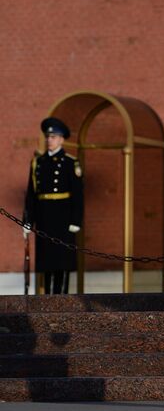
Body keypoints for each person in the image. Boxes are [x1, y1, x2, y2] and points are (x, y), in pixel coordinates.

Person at [23, 117, 83, 294]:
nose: (50, 140)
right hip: (43, 218)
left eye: (54, 137)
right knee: (46, 262)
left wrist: (76, 220)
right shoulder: (38, 163)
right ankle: (45, 299)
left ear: (62, 139)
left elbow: (78, 195)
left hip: (63, 219)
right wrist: (28, 220)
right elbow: (31, 194)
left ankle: (61, 298)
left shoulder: (70, 163)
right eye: (48, 136)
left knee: (62, 263)